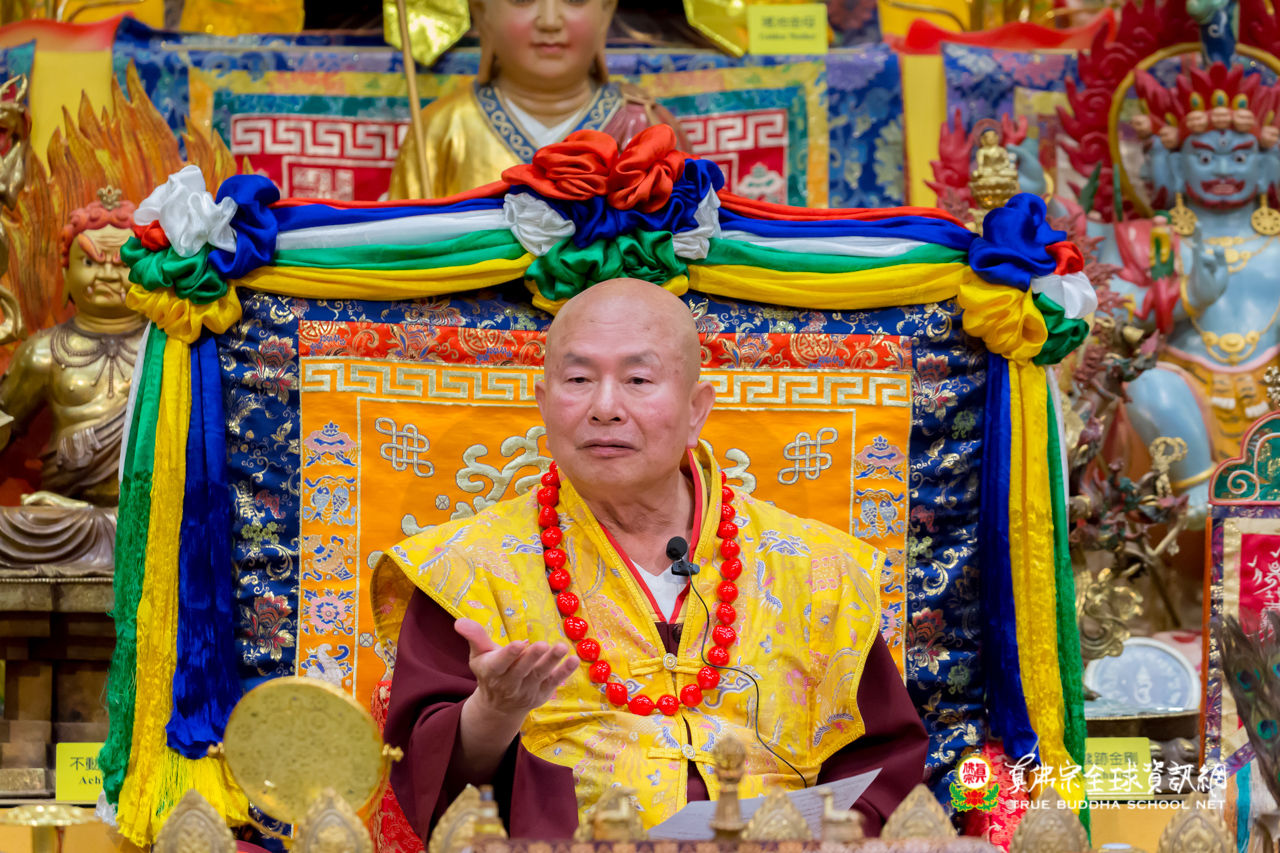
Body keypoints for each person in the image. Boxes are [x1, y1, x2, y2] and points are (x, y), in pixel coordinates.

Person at [376, 279, 927, 841]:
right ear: (543, 403)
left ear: (695, 409)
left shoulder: (816, 567)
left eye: (638, 380)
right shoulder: (465, 569)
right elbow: (434, 788)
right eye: (578, 380)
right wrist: (494, 710)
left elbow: (882, 767)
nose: (605, 408)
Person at [387, 0, 685, 199]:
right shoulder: (440, 128)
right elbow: (406, 248)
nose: (550, 22)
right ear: (482, 12)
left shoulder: (647, 128)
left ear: (605, 12)